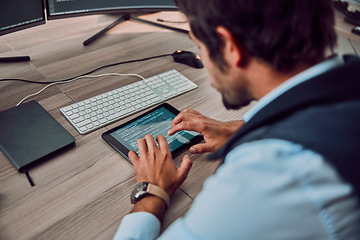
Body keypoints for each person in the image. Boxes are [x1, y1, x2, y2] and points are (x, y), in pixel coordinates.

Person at [113, 0, 360, 239]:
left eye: (201, 47)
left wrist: (152, 193)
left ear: (231, 47)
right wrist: (239, 128)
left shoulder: (272, 169)